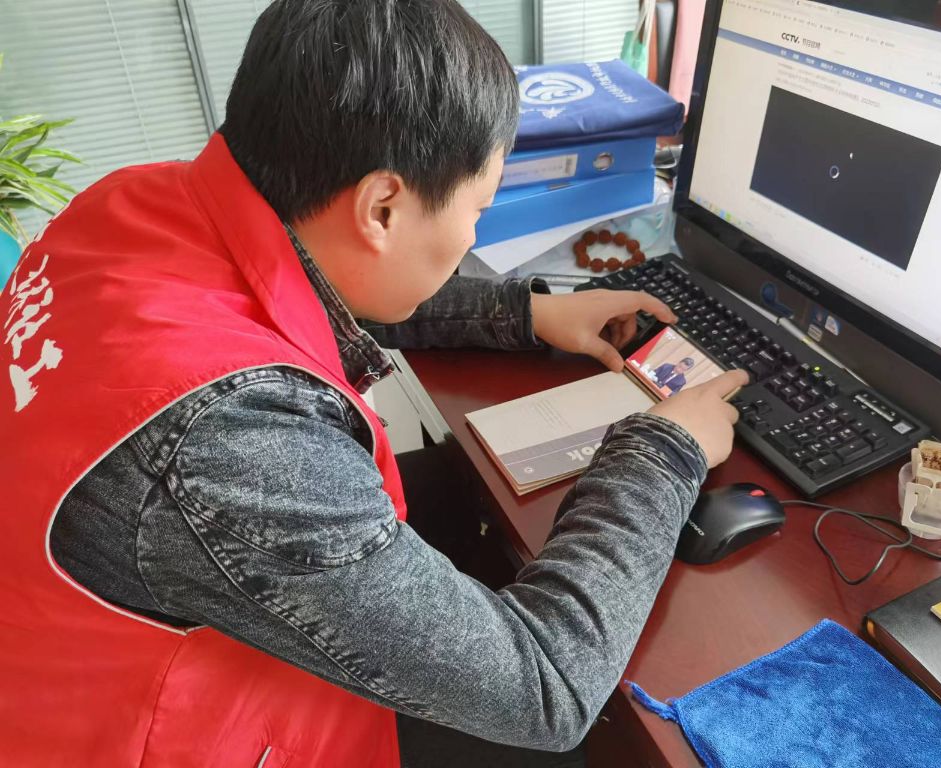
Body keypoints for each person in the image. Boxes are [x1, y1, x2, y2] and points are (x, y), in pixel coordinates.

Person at [0, 1, 748, 765]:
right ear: (382, 208)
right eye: (479, 208)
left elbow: (301, 283)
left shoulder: (138, 202)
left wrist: (526, 313)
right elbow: (548, 689)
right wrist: (664, 450)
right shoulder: (232, 439)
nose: (473, 235)